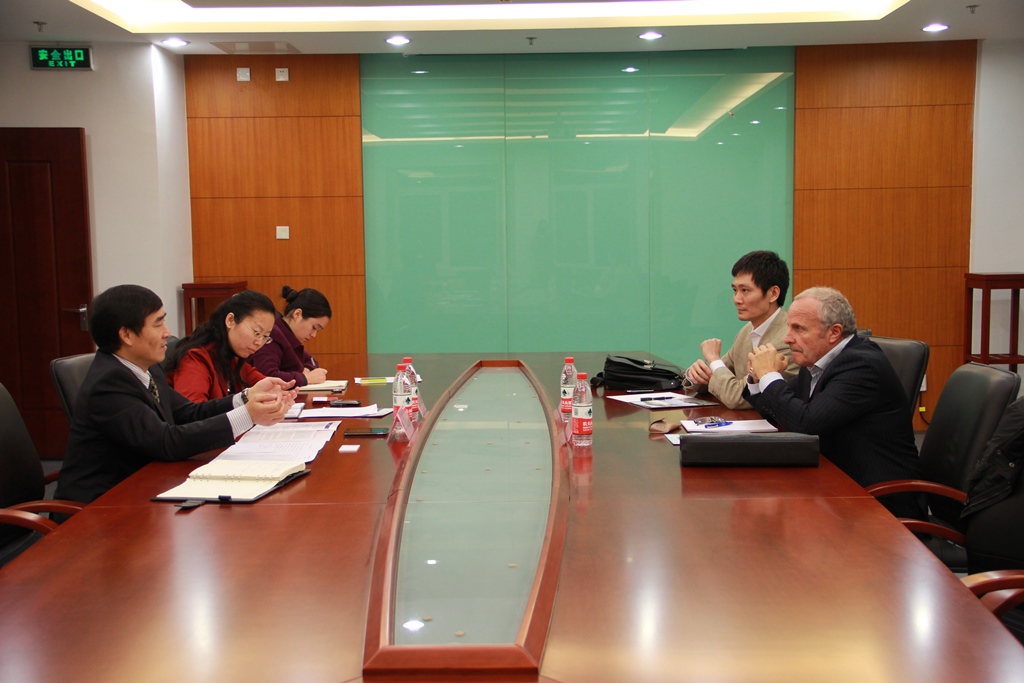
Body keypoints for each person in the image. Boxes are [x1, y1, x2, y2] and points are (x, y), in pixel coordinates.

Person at [55, 284, 296, 504]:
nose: (167, 333)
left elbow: (187, 412)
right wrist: (248, 415)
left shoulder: (147, 368)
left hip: (142, 488)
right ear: (126, 335)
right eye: (158, 324)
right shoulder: (109, 383)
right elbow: (166, 442)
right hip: (100, 508)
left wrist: (245, 397)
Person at [743, 286, 924, 519]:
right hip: (837, 488)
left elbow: (806, 424)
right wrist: (757, 377)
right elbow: (781, 411)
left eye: (799, 328)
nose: (787, 338)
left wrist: (769, 375)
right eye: (789, 327)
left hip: (879, 505)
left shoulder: (860, 366)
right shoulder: (816, 360)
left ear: (834, 332)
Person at [684, 250, 798, 409]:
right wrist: (695, 375)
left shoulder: (788, 340)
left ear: (773, 294)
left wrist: (713, 359)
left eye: (745, 290)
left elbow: (737, 397)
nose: (737, 299)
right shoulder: (747, 330)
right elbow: (718, 377)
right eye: (735, 290)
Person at [165, 290, 275, 402]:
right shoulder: (195, 358)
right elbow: (193, 409)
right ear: (230, 320)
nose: (259, 342)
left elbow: (266, 386)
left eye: (265, 336)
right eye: (256, 332)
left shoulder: (232, 357)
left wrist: (279, 391)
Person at [252, 285, 332, 387]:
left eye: (318, 330)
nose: (314, 335)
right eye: (314, 327)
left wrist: (307, 370)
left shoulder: (289, 337)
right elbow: (267, 376)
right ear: (297, 314)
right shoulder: (272, 333)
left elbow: (311, 361)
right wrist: (305, 378)